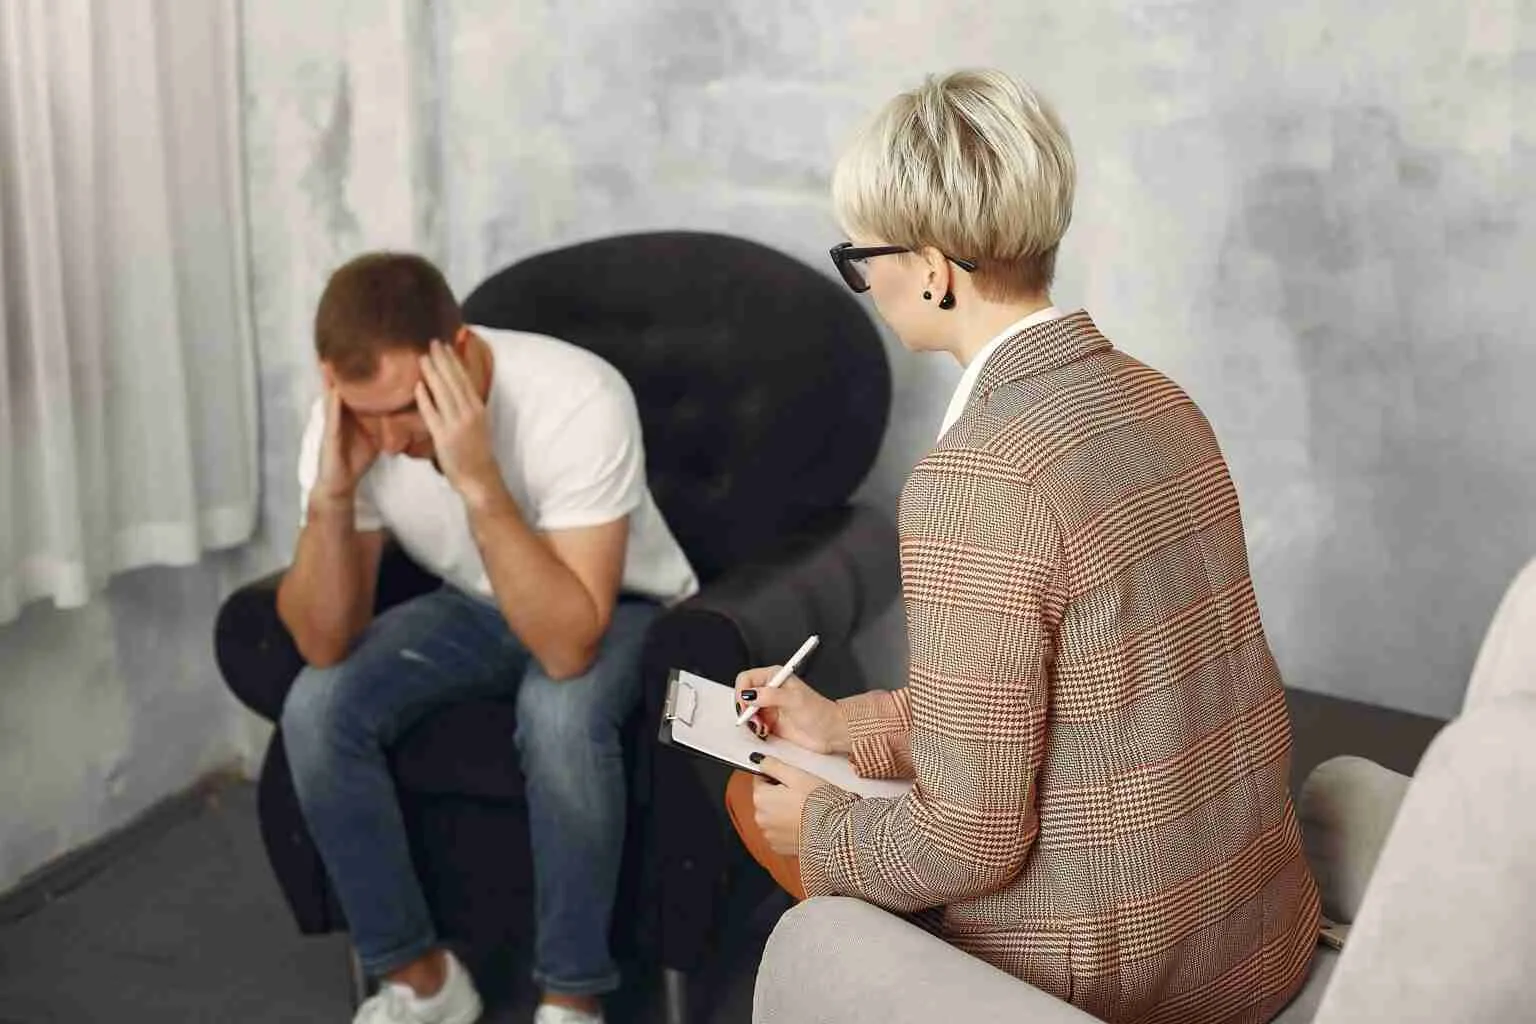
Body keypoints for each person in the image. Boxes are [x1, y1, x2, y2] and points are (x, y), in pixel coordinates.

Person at [727, 70, 1321, 1023]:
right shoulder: (1159, 401)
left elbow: (970, 843)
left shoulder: (975, 482)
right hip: (1252, 929)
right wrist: (846, 730)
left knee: (766, 844)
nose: (864, 281)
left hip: (1115, 977)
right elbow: (1084, 696)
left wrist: (824, 826)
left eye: (860, 256)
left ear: (931, 268)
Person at [275, 252, 698, 1024]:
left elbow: (568, 644)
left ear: (459, 350)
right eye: (367, 411)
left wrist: (477, 479)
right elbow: (322, 641)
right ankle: (424, 983)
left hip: (620, 605)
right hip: (473, 604)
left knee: (559, 713)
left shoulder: (577, 396)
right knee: (315, 705)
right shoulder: (354, 422)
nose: (393, 437)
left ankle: (571, 1000)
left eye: (407, 408)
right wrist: (331, 497)